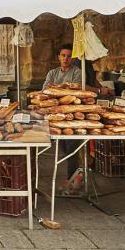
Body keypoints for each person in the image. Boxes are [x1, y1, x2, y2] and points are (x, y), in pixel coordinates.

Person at [43, 43, 87, 188]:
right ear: (59, 57)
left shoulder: (77, 72)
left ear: (73, 58)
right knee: (62, 146)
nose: (66, 58)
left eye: (69, 56)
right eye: (63, 55)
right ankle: (77, 175)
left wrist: (56, 89)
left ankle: (72, 177)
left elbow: (75, 92)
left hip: (72, 115)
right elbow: (45, 91)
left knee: (71, 147)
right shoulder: (52, 73)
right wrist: (62, 88)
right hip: (56, 115)